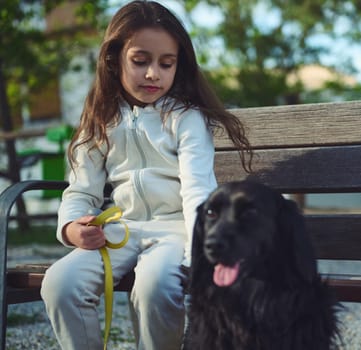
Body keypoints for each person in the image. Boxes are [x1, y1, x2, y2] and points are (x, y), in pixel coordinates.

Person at [40, 1, 252, 349]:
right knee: (60, 284)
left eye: (166, 64)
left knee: (156, 286)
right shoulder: (100, 121)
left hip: (175, 232)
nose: (154, 73)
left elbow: (198, 191)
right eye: (141, 61)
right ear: (114, 60)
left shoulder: (186, 118)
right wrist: (72, 228)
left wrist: (199, 250)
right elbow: (80, 191)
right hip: (120, 232)